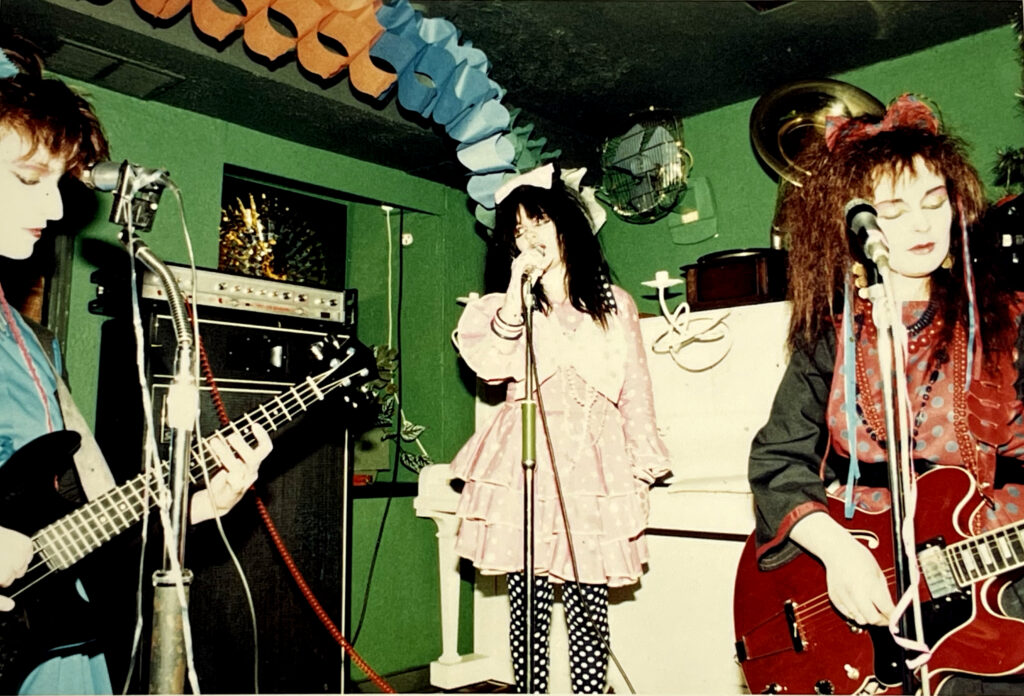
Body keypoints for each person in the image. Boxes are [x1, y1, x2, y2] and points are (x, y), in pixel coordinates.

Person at [0, 35, 271, 694]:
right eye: (27, 179)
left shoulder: (30, 342)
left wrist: (197, 506)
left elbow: (72, 526)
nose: (57, 209)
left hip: (51, 651)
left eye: (59, 183)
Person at [748, 93, 1024, 693]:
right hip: (858, 607)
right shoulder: (832, 334)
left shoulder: (1006, 319)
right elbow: (778, 461)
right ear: (857, 227)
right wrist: (837, 554)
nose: (923, 225)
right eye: (893, 211)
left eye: (934, 202)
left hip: (998, 593)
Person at [450, 163, 670, 694]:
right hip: (525, 460)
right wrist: (513, 294)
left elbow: (636, 392)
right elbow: (492, 364)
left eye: (538, 222)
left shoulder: (614, 304)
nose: (529, 237)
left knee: (588, 607)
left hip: (595, 463)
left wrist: (640, 472)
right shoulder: (505, 306)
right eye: (516, 231)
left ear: (565, 223)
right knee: (526, 605)